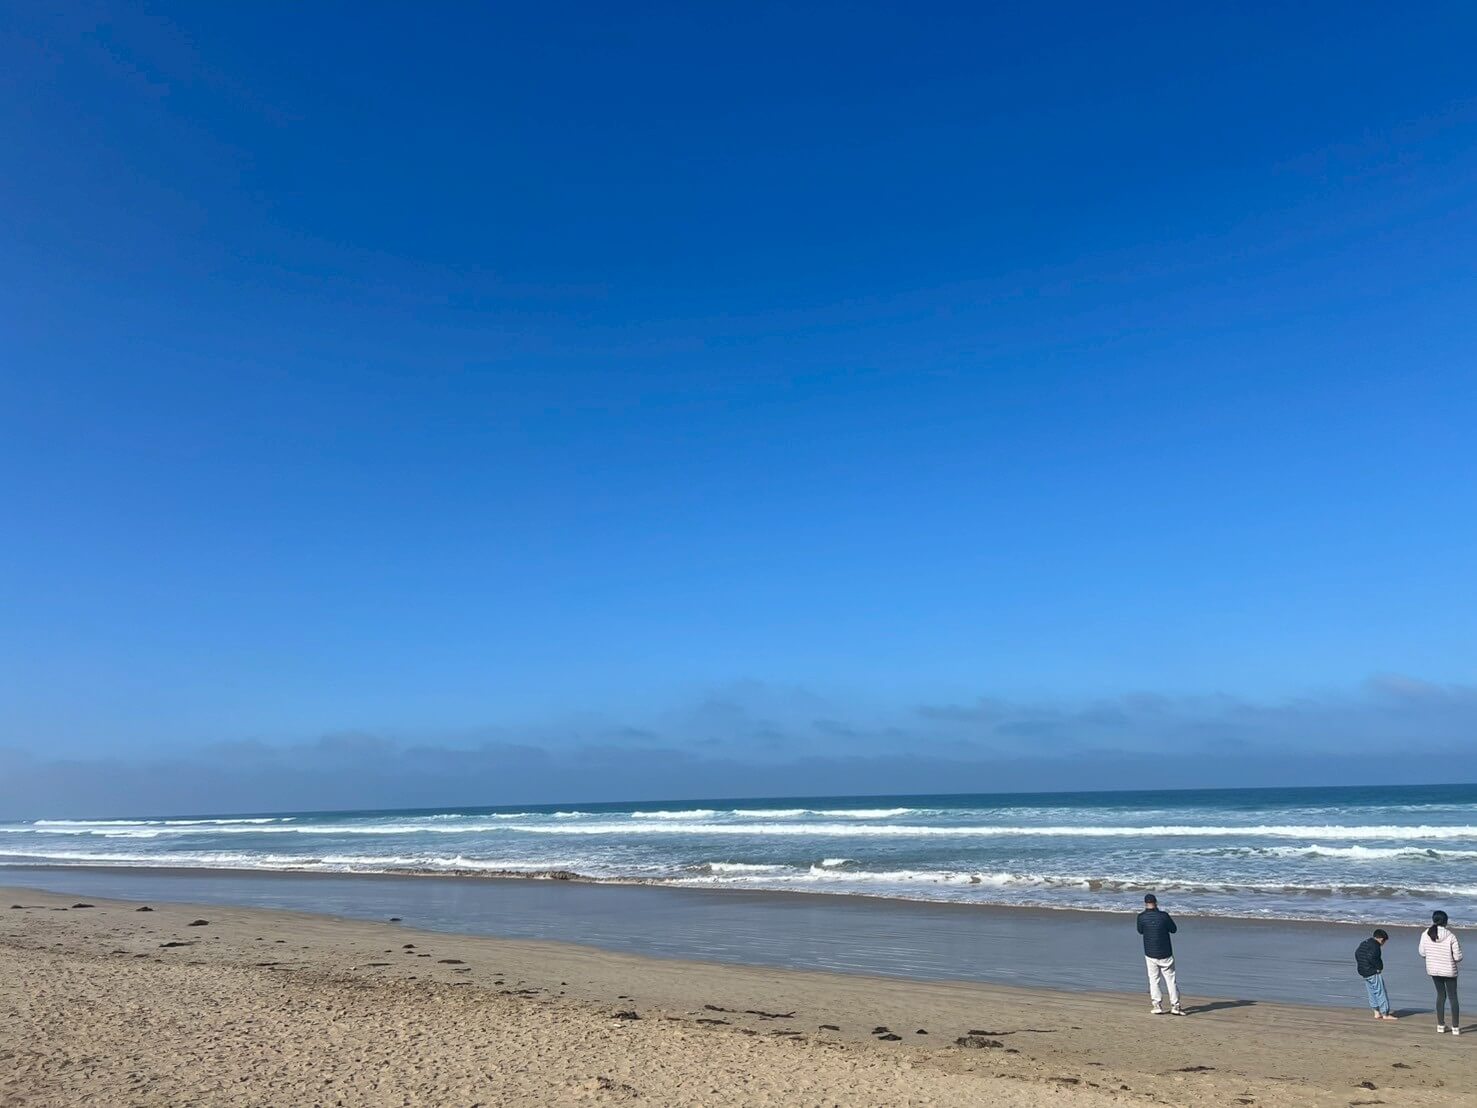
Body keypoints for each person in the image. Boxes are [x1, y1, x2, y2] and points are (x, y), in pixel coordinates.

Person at [1136, 893, 1184, 1015]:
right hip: (1165, 952)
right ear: (1156, 902)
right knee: (1170, 980)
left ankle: (1157, 1005)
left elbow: (1140, 931)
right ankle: (1175, 1006)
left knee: (1154, 979)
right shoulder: (1164, 916)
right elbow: (1173, 929)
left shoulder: (1141, 917)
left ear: (1145, 904)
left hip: (1150, 953)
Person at [1417, 910, 1462, 1035]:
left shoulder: (1425, 934)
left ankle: (1441, 1025)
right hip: (1449, 970)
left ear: (1433, 920)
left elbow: (1422, 953)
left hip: (1434, 969)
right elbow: (1458, 957)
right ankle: (1455, 1027)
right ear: (1446, 921)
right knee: (1453, 997)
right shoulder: (1451, 936)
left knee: (1441, 995)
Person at [1355, 928, 1395, 1020]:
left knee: (1371, 992)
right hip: (1372, 972)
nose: (1383, 944)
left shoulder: (1365, 942)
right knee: (1380, 991)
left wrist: (1362, 965)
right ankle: (1385, 1014)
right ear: (1381, 939)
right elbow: (1373, 958)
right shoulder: (1375, 946)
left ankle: (1376, 1012)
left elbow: (1357, 953)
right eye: (1384, 941)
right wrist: (1379, 968)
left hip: (1363, 971)